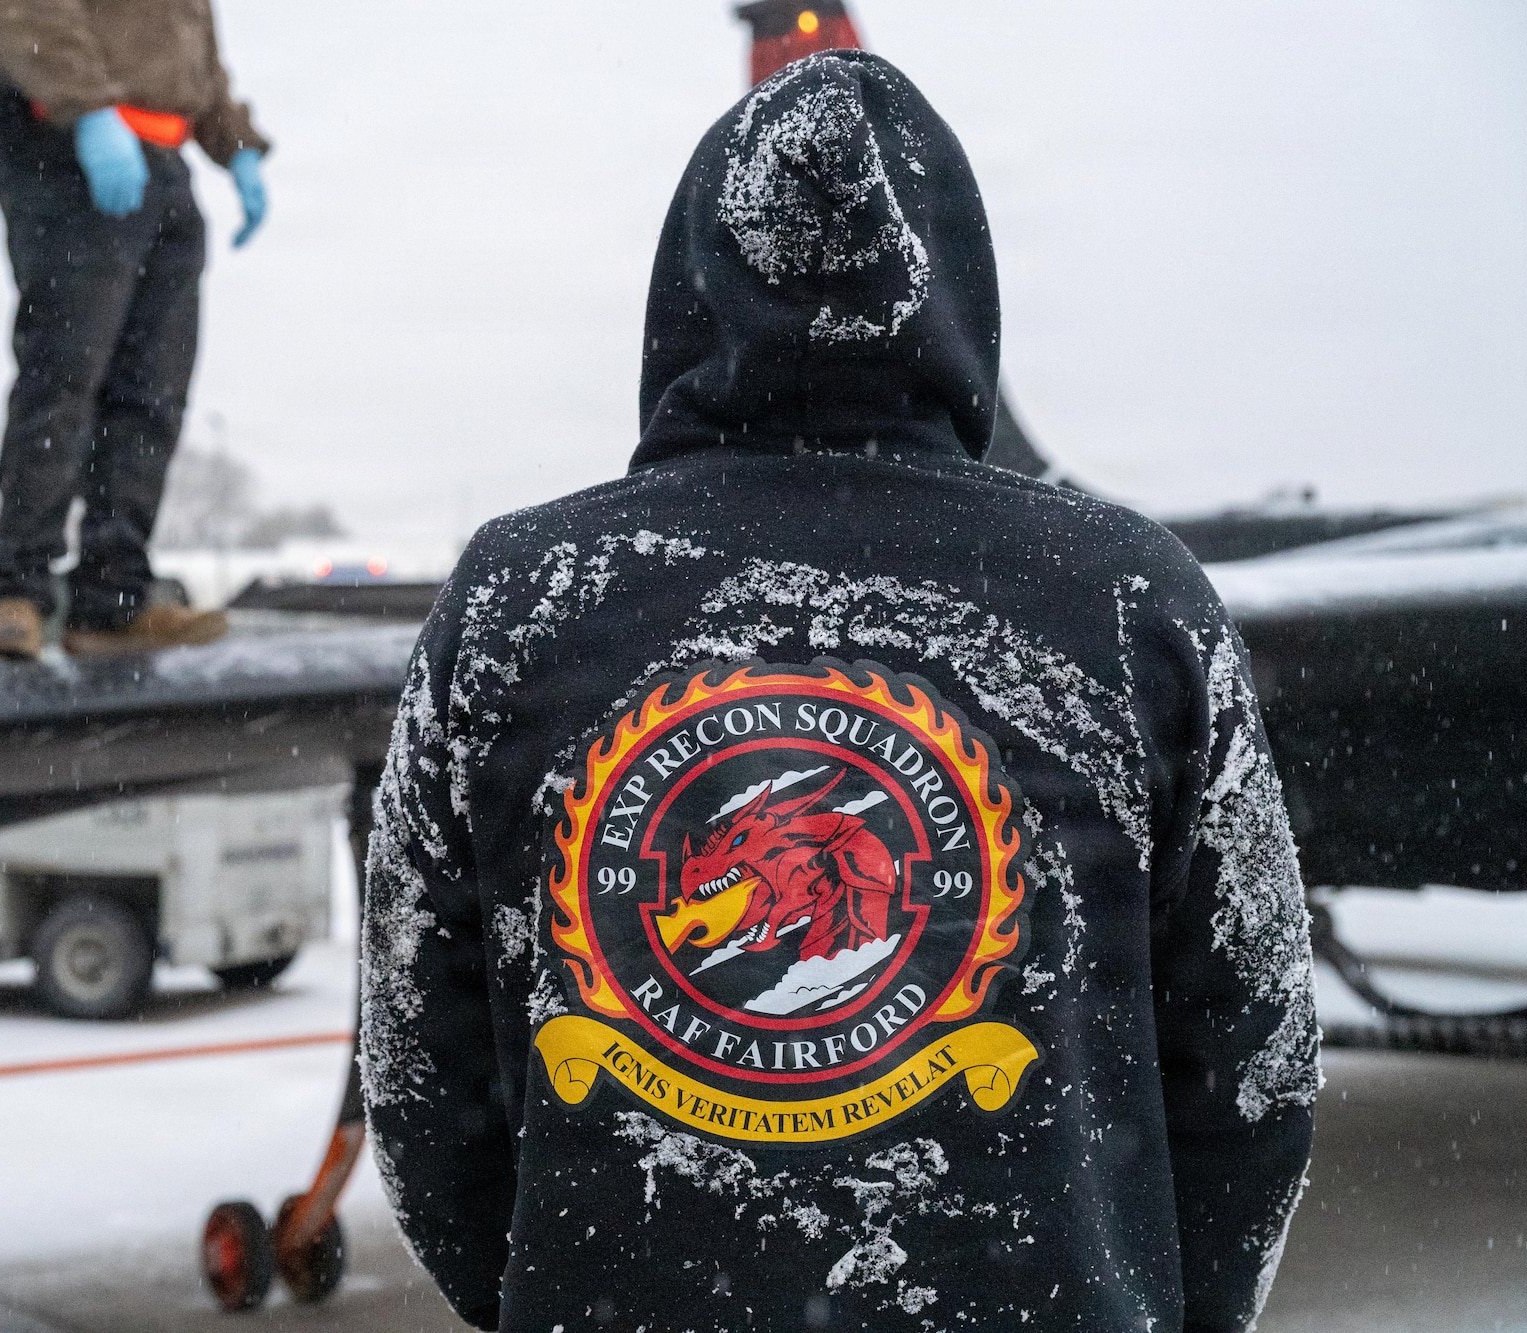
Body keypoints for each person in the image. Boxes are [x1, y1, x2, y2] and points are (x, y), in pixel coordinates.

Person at [360, 51, 1317, 1333]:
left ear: (688, 288)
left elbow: (421, 1083)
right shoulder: (1127, 595)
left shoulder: (519, 597)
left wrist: (554, 1290)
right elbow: (1250, 1073)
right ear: (957, 290)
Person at [0, 0, 271, 659]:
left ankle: (111, 598)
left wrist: (238, 146)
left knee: (152, 390)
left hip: (164, 155)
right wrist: (89, 108)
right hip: (65, 138)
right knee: (66, 370)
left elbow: (192, 57)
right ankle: (17, 592)